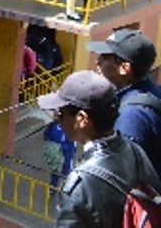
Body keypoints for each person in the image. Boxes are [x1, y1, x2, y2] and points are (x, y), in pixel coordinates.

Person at [38, 70, 161, 228]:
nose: (57, 120)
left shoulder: (80, 184)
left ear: (82, 119)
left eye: (60, 113)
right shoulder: (134, 150)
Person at [87, 29, 161, 176]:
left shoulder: (131, 117)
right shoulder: (153, 92)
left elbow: (124, 176)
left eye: (105, 57)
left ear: (124, 68)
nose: (98, 61)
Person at [43, 121, 77, 189]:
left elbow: (72, 145)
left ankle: (67, 187)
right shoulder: (53, 126)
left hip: (66, 155)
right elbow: (46, 136)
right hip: (56, 155)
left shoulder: (70, 129)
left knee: (67, 172)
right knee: (55, 170)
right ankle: (53, 186)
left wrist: (62, 148)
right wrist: (50, 147)